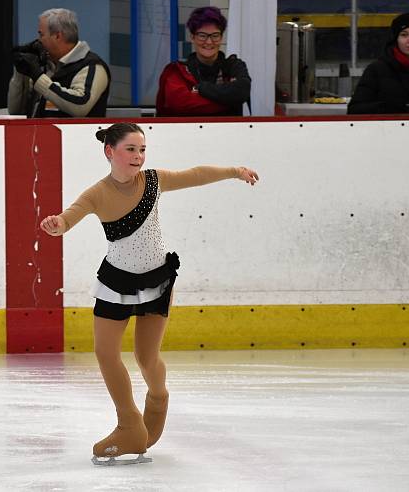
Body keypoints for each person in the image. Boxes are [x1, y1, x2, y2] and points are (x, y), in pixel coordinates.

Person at [39, 122, 259, 464]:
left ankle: (157, 398)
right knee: (105, 352)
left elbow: (196, 174)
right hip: (117, 281)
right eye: (130, 149)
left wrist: (234, 171)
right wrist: (58, 226)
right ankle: (129, 425)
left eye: (142, 150)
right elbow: (69, 218)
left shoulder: (154, 181)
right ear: (109, 151)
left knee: (146, 358)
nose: (138, 157)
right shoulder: (97, 193)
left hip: (156, 280)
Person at [8, 8, 111, 118]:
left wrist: (38, 77)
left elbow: (80, 106)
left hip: (74, 134)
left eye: (41, 35)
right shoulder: (46, 66)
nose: (38, 41)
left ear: (57, 36)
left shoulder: (92, 66)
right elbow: (15, 111)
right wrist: (21, 71)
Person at [156, 6, 251, 117]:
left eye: (215, 35)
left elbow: (242, 92)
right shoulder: (177, 71)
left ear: (221, 38)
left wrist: (200, 89)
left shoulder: (234, 66)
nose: (209, 42)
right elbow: (181, 104)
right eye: (202, 36)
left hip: (229, 134)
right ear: (192, 37)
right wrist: (230, 99)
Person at [348, 12, 409, 114]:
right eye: (404, 35)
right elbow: (355, 109)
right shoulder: (376, 70)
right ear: (396, 39)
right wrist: (388, 107)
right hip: (387, 129)